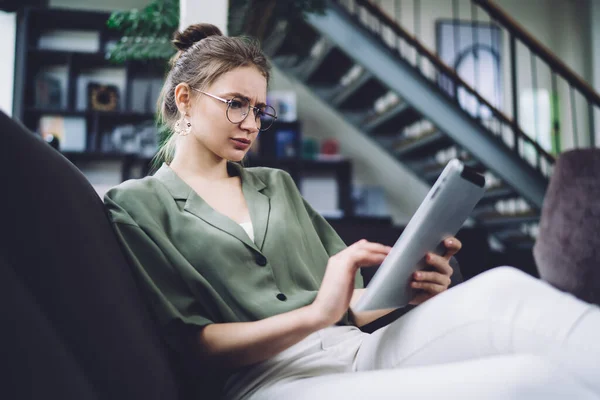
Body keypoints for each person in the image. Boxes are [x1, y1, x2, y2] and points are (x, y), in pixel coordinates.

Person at [104, 24, 600, 400]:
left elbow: (358, 311)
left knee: (503, 288)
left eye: (259, 110)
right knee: (529, 382)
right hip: (271, 381)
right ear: (185, 99)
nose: (251, 123)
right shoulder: (137, 204)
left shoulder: (277, 185)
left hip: (354, 349)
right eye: (237, 104)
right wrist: (317, 313)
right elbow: (194, 346)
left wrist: (411, 290)